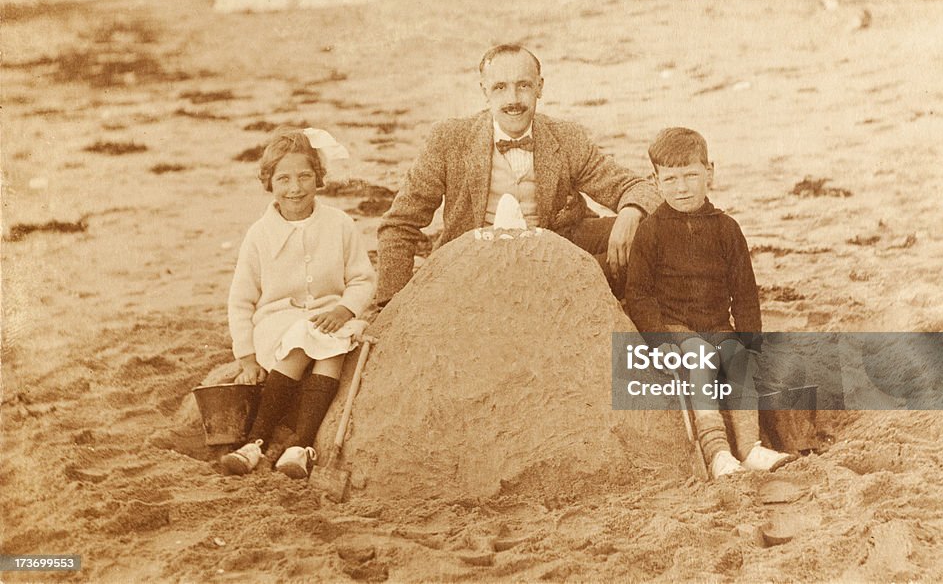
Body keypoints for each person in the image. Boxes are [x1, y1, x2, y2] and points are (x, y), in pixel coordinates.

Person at [376, 43, 662, 304]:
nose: (513, 99)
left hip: (554, 257)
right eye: (500, 87)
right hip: (475, 264)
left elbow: (636, 187)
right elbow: (400, 223)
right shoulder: (449, 139)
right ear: (483, 90)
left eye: (523, 86)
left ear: (540, 87)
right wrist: (390, 306)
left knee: (650, 234)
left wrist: (631, 212)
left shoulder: (566, 137)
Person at [625, 127, 793, 479]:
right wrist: (660, 341)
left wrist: (750, 341)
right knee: (700, 356)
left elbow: (744, 292)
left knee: (737, 358)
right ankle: (717, 452)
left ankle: (749, 448)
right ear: (654, 181)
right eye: (670, 179)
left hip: (717, 323)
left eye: (691, 175)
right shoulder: (651, 232)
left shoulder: (726, 228)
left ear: (710, 173)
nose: (681, 188)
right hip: (675, 324)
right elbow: (638, 294)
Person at [221, 127, 376, 479]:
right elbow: (241, 300)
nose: (295, 188)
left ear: (318, 178)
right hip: (277, 324)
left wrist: (344, 309)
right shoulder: (259, 235)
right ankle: (254, 442)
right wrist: (245, 356)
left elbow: (363, 278)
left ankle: (300, 447)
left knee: (332, 349)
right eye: (284, 179)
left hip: (329, 318)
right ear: (270, 183)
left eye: (305, 176)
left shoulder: (338, 224)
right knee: (301, 343)